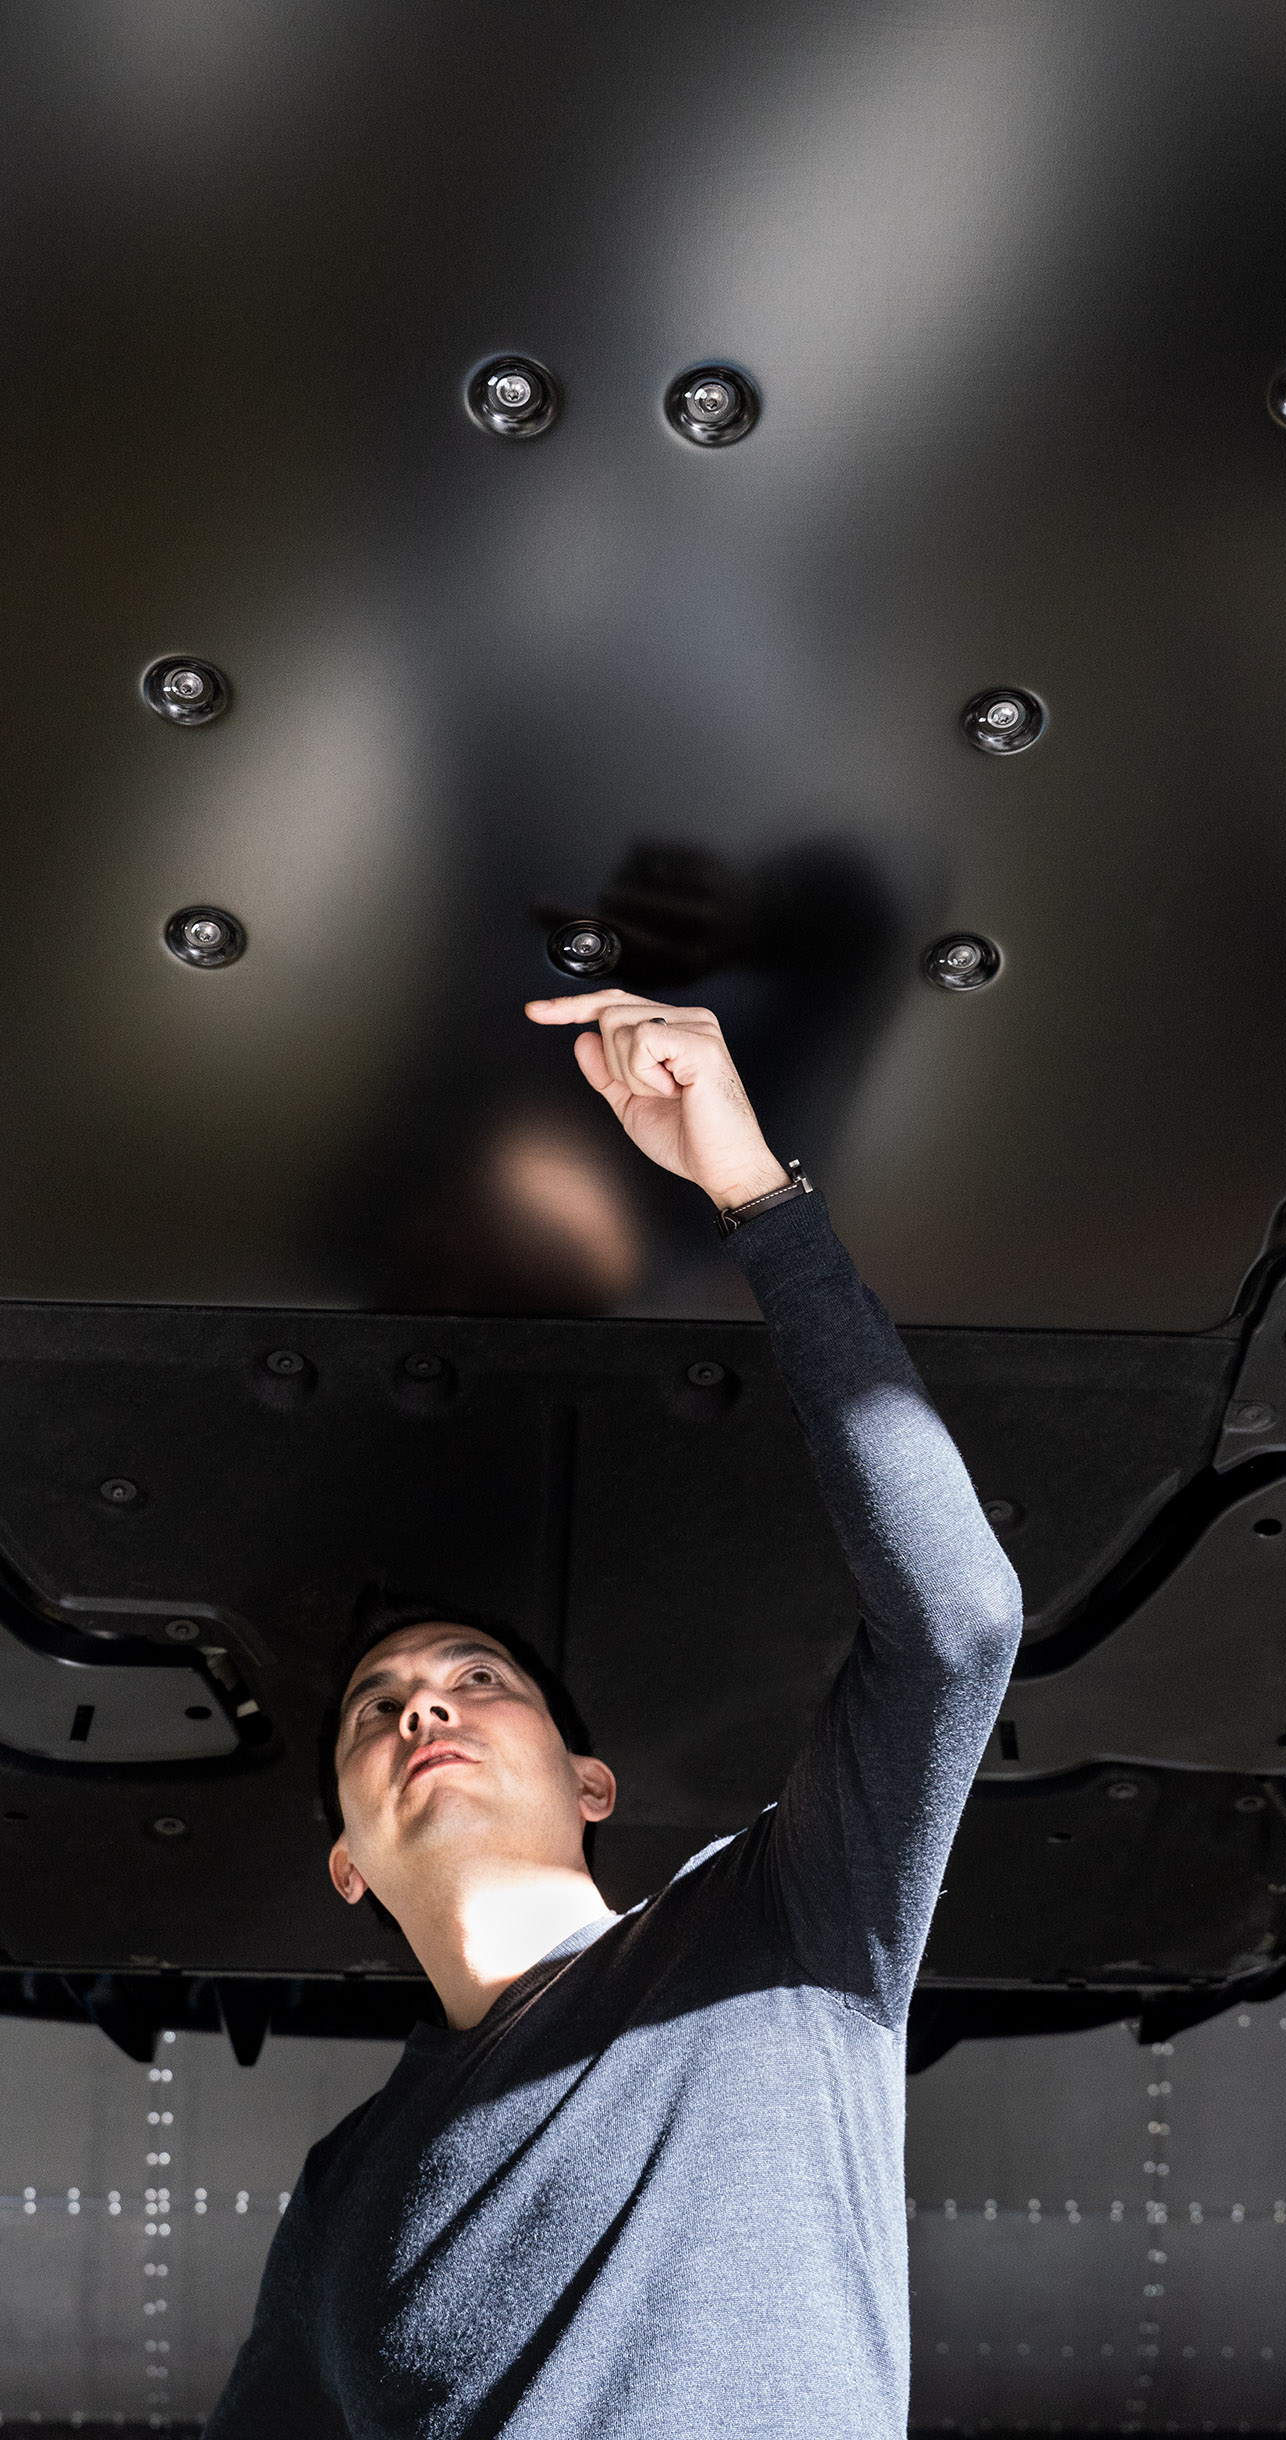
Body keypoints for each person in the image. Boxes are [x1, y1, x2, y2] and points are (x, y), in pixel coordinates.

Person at [204, 990, 1023, 2439]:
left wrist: (757, 1200)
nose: (421, 1711)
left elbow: (956, 1628)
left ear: (591, 1783)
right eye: (375, 1709)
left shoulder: (781, 1931)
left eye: (477, 1682)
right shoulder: (349, 2188)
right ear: (347, 1859)